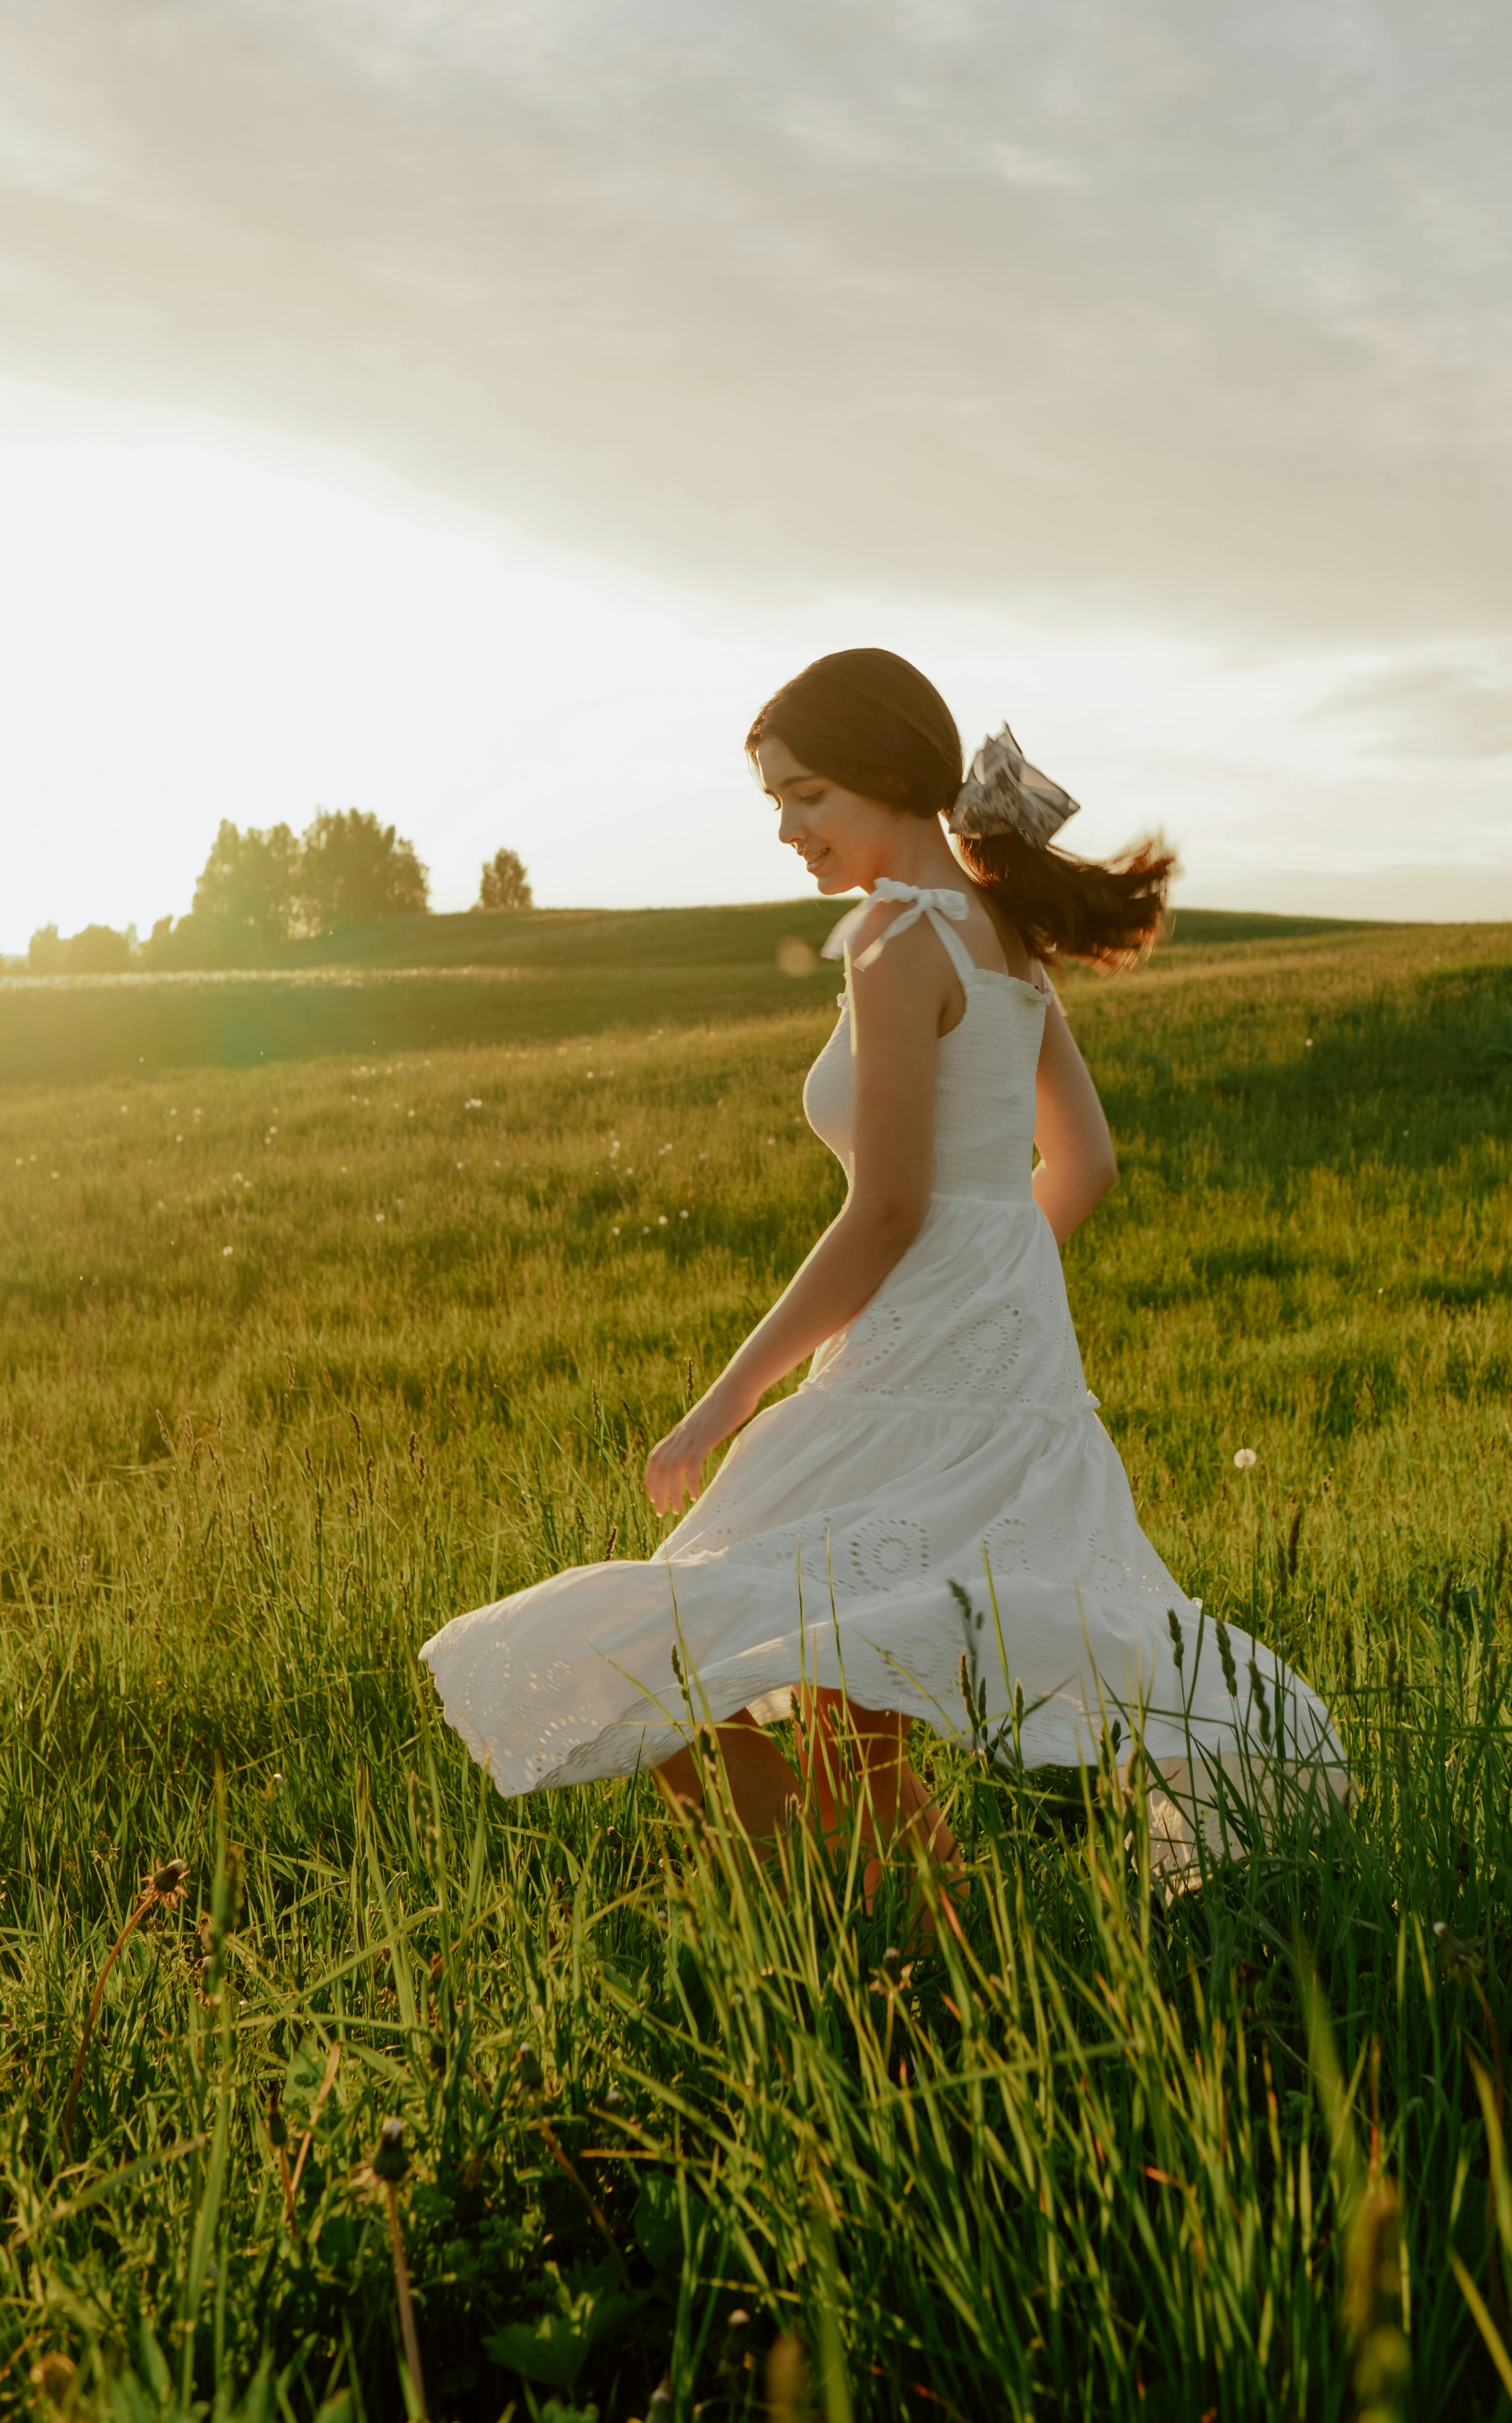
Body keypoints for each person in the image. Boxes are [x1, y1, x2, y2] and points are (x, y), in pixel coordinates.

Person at [420, 650, 1341, 1910]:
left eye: (806, 797)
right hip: (994, 1360)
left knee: (688, 1667)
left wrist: (727, 1399)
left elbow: (891, 1204)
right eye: (776, 807)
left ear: (888, 772)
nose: (790, 831)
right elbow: (1086, 1163)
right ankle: (923, 1957)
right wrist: (993, 1282)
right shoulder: (1001, 931)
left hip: (916, 1363)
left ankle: (903, 1960)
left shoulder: (898, 934)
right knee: (830, 1699)